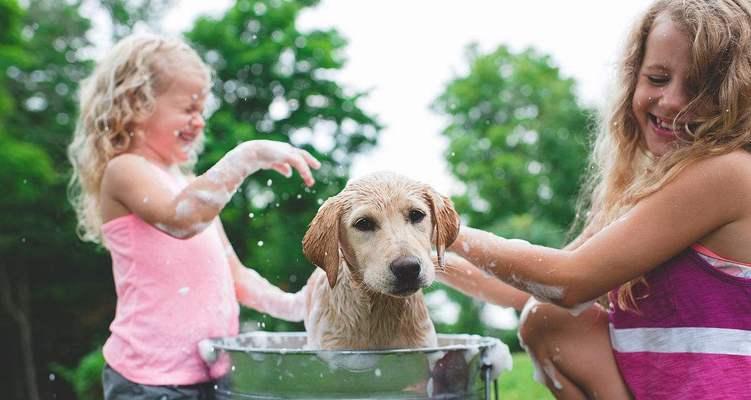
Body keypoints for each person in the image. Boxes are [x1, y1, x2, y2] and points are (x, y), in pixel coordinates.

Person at [438, 0, 751, 399]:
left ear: (738, 93)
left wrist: (446, 229)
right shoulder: (645, 188)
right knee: (548, 319)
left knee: (553, 310)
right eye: (657, 78)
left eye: (698, 87)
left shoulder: (729, 172)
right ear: (633, 77)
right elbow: (528, 289)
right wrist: (412, 252)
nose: (671, 101)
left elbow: (570, 283)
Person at [67, 33, 320, 399]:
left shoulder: (187, 186)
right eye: (188, 108)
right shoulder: (124, 170)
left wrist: (297, 305)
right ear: (136, 104)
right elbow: (182, 220)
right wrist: (247, 155)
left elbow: (236, 278)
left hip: (210, 373)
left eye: (202, 110)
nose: (199, 122)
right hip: (149, 381)